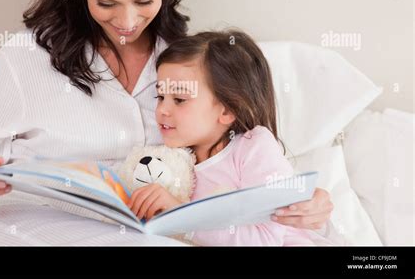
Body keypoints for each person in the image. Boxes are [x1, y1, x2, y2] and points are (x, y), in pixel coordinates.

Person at [0, 0, 333, 241]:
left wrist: (306, 207)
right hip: (31, 221)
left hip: (143, 230)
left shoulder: (187, 65)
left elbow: (235, 166)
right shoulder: (26, 56)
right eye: (106, 3)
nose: (127, 21)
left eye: (144, 1)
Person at [127, 30, 333, 245]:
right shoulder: (173, 159)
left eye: (179, 99)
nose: (162, 110)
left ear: (226, 111)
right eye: (160, 96)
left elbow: (265, 240)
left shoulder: (254, 147)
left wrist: (180, 217)